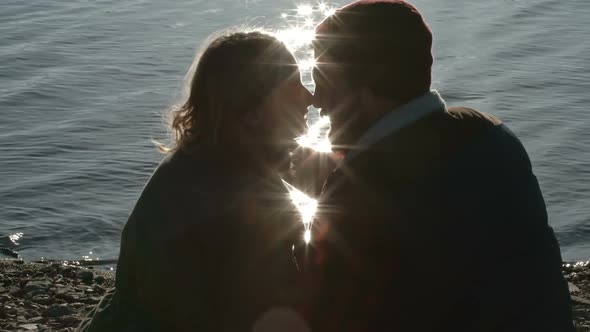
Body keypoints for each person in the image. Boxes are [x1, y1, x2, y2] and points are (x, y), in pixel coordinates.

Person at [302, 1, 575, 331]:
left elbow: (324, 310)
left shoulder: (364, 184)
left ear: (367, 88)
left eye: (323, 79)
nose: (316, 99)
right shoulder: (490, 133)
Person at [78, 30, 313, 331]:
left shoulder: (195, 164)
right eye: (293, 87)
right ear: (251, 114)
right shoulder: (245, 203)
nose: (310, 97)